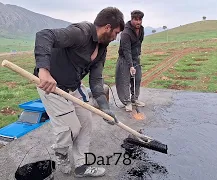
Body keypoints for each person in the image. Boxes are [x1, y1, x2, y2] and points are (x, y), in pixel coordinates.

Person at [33, 7, 124, 178]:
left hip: (74, 86)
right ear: (107, 27)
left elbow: (96, 79)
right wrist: (43, 70)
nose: (116, 37)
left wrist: (104, 108)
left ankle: (81, 166)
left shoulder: (102, 48)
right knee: (70, 128)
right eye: (116, 32)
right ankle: (61, 153)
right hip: (52, 87)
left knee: (86, 123)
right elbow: (44, 35)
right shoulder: (80, 33)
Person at [115, 10, 145, 112]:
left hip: (136, 58)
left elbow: (139, 43)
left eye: (140, 20)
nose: (138, 22)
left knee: (137, 78)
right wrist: (131, 66)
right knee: (125, 81)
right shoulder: (126, 33)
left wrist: (138, 56)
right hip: (125, 59)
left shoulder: (141, 30)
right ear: (131, 19)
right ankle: (127, 102)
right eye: (136, 20)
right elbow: (126, 50)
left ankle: (134, 99)